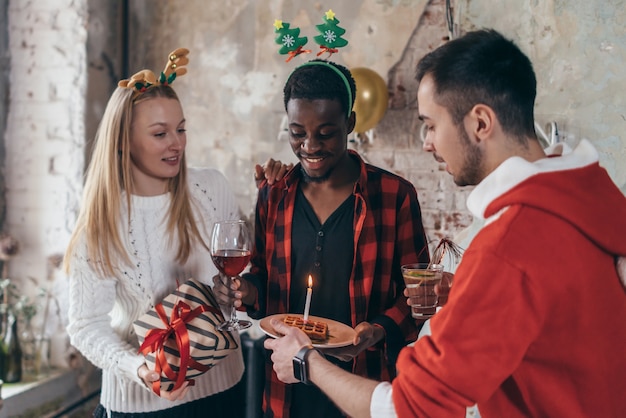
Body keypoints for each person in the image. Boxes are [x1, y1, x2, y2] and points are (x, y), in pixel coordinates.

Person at [263, 29, 626, 417]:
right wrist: (463, 295)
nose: (427, 143)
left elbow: (410, 409)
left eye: (431, 124)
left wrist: (305, 361)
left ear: (480, 123)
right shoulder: (593, 200)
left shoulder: (508, 245)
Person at [213, 59, 430, 418]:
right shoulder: (274, 194)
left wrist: (377, 330)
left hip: (363, 385)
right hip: (287, 393)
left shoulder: (394, 196)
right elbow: (263, 279)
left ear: (350, 123)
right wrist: (246, 292)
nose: (310, 146)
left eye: (326, 133)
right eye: (297, 133)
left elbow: (417, 300)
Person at [64, 48, 246, 418]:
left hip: (226, 389)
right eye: (160, 133)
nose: (177, 143)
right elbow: (86, 326)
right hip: (144, 405)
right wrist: (139, 369)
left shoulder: (211, 188)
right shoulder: (102, 224)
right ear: (122, 141)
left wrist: (234, 292)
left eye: (180, 129)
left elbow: (240, 276)